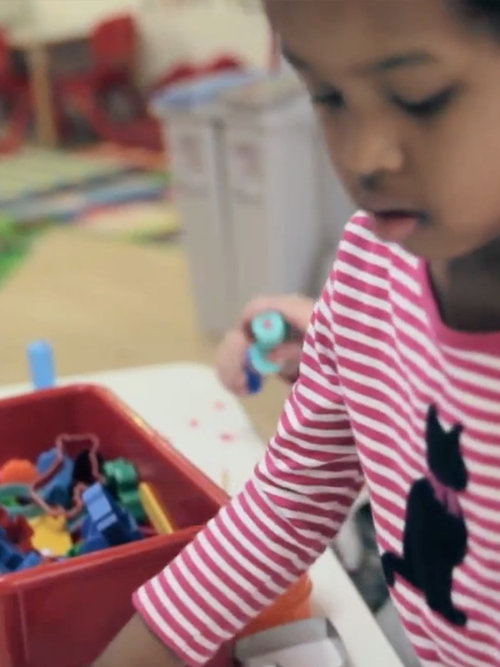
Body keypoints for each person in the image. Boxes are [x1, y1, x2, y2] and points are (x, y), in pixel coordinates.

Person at [94, 1, 500, 665]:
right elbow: (287, 501)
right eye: (328, 96)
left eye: (420, 98)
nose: (365, 156)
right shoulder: (371, 264)